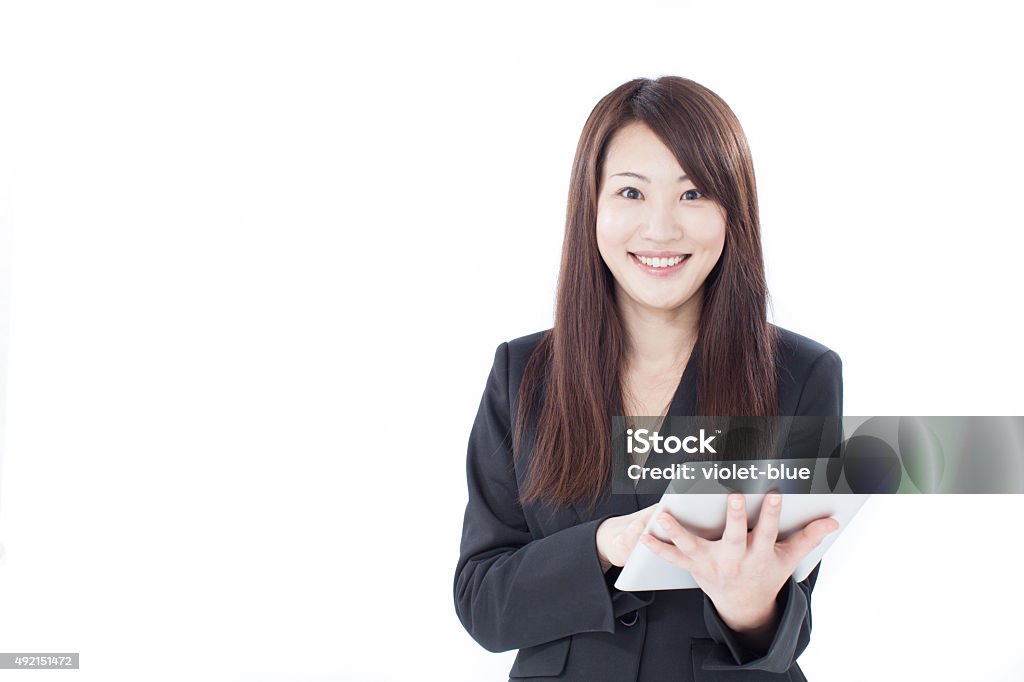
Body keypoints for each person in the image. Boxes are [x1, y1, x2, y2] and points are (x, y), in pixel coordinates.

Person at [453, 76, 844, 681]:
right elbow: (483, 602)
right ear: (592, 206)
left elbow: (793, 619)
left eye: (692, 196)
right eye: (631, 193)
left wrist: (750, 609)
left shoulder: (800, 375)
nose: (661, 229)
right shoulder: (522, 375)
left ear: (732, 213)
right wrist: (607, 543)